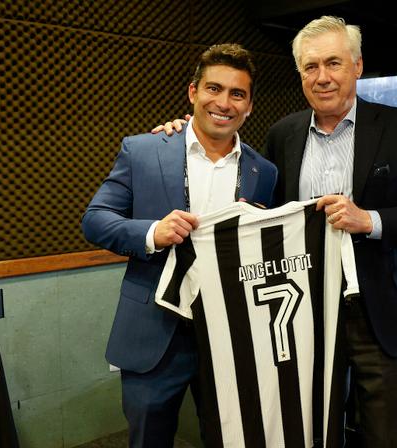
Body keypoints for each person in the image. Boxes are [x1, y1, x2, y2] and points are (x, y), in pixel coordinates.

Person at [154, 16, 397, 447]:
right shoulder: (284, 134)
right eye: (311, 66)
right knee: (309, 430)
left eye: (333, 63)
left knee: (386, 436)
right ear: (300, 74)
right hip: (302, 314)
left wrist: (369, 220)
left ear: (357, 66)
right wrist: (181, 134)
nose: (322, 76)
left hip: (380, 315)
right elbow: (266, 211)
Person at [81, 43, 277, 448]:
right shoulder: (143, 149)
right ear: (193, 92)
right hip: (154, 334)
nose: (223, 103)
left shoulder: (265, 171)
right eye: (213, 89)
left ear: (249, 106)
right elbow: (95, 220)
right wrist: (152, 232)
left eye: (237, 94)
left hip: (232, 338)